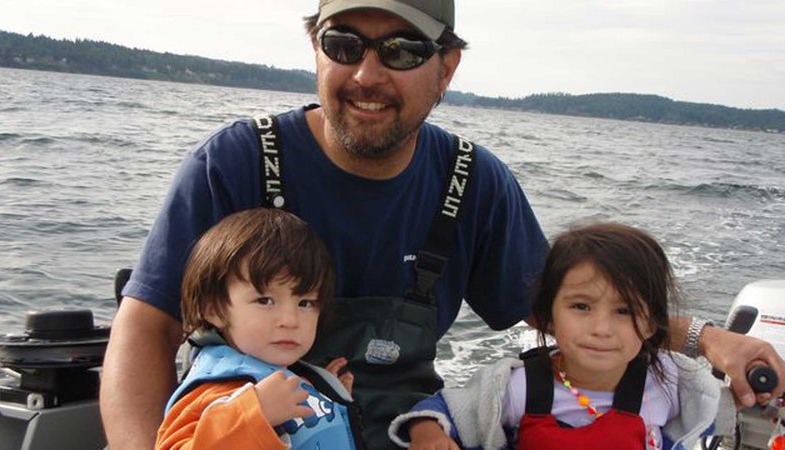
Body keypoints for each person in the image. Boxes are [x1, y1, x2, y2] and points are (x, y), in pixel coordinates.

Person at [100, 1, 785, 449]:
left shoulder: (475, 183)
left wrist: (706, 339)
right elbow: (147, 324)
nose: (368, 74)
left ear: (447, 67)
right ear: (315, 48)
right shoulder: (237, 160)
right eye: (345, 44)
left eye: (400, 50)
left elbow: (571, 313)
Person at [389, 223, 738, 450]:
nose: (601, 328)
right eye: (581, 306)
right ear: (548, 316)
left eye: (625, 311)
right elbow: (445, 409)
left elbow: (723, 412)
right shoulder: (515, 387)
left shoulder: (675, 384)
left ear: (651, 324)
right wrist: (428, 433)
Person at [155, 208, 364, 450]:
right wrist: (252, 415)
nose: (290, 320)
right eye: (265, 301)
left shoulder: (287, 376)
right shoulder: (214, 390)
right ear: (213, 310)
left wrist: (325, 393)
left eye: (305, 303)